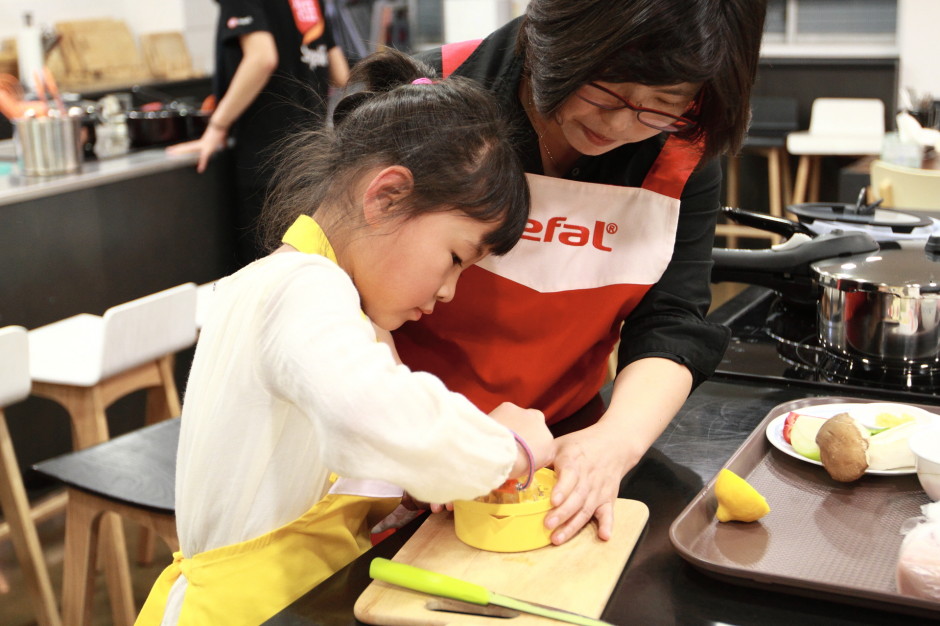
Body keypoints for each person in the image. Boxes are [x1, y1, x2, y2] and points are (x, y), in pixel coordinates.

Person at [136, 49, 552, 626]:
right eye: (455, 257)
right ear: (385, 197)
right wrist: (509, 448)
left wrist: (406, 487)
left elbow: (324, 461)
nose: (451, 291)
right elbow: (367, 413)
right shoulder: (299, 286)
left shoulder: (344, 307)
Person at [391, 0, 767, 545]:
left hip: (559, 451)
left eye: (660, 105)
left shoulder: (682, 143)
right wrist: (415, 434)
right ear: (559, 36)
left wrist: (614, 441)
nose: (619, 126)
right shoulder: (428, 95)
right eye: (608, 90)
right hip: (397, 443)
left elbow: (672, 319)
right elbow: (339, 298)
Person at [168, 0, 350, 268]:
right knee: (307, 272)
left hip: (266, 167)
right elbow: (341, 74)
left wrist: (217, 127)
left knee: (267, 281)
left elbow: (262, 58)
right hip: (312, 162)